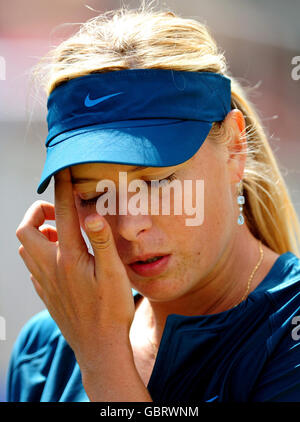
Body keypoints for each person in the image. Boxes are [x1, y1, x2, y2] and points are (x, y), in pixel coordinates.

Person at [7, 3, 300, 402]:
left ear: (233, 147)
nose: (128, 225)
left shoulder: (289, 334)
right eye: (94, 195)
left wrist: (100, 357)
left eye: (159, 182)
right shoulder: (46, 350)